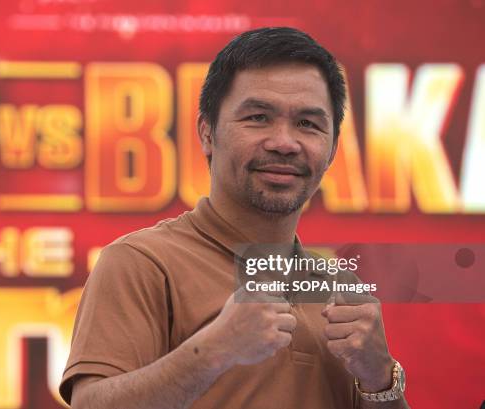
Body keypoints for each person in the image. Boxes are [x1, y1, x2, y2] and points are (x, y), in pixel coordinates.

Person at [60, 27, 409, 408]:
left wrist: (379, 377)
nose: (284, 142)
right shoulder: (141, 263)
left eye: (308, 124)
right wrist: (214, 350)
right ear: (207, 133)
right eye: (258, 117)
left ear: (332, 149)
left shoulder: (343, 288)